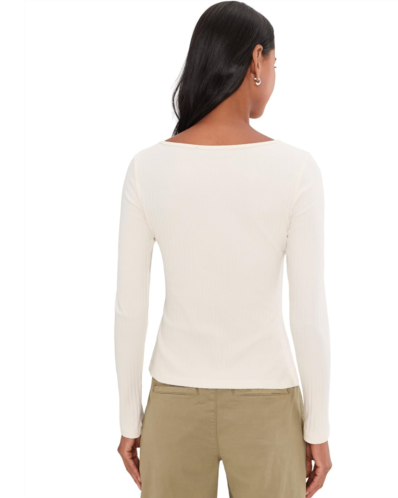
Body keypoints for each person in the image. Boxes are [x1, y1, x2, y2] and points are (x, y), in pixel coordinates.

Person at [115, 2, 332, 497]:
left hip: (172, 407)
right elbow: (309, 314)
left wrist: (130, 419)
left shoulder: (146, 168)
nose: (274, 74)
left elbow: (130, 307)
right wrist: (317, 427)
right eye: (275, 62)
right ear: (256, 59)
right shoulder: (297, 170)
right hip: (268, 406)